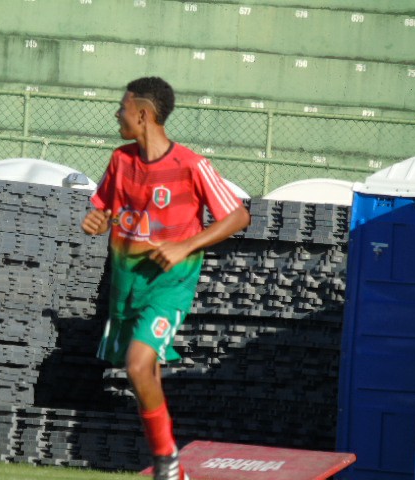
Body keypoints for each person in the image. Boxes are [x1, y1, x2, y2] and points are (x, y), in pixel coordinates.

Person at [81, 77, 250, 480]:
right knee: (143, 372)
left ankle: (167, 462)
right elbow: (105, 210)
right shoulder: (120, 160)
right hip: (126, 287)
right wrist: (97, 220)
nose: (117, 115)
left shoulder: (191, 165)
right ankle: (170, 465)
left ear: (142, 114)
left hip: (169, 286)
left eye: (122, 108)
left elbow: (239, 216)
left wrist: (185, 245)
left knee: (138, 366)